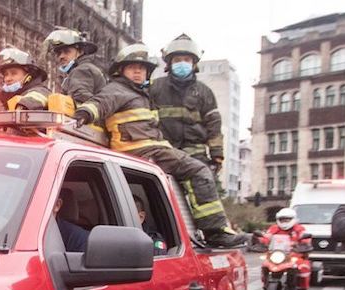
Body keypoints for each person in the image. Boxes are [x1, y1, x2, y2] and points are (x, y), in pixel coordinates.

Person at [74, 44, 249, 249]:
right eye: (132, 68)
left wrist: (216, 154)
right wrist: (84, 114)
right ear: (120, 71)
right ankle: (214, 231)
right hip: (141, 149)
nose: (138, 72)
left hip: (151, 147)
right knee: (199, 171)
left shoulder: (142, 94)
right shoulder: (118, 89)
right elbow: (101, 103)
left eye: (142, 68)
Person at [150, 34, 224, 171]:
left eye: (186, 60)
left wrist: (217, 156)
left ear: (194, 64)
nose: (182, 63)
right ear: (169, 64)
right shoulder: (155, 88)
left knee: (204, 185)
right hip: (163, 154)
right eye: (177, 60)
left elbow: (214, 126)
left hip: (196, 156)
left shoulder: (204, 92)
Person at [44, 28, 107, 144]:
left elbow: (81, 99)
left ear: (80, 52)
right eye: (58, 53)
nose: (61, 56)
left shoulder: (81, 70)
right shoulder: (82, 70)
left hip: (87, 133)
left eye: (67, 51)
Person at [258, 207, 312, 290]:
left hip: (294, 254)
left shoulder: (299, 229)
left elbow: (305, 239)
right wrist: (260, 241)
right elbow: (267, 238)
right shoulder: (274, 228)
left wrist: (303, 243)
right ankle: (265, 287)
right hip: (275, 254)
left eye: (287, 219)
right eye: (282, 219)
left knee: (304, 267)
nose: (284, 221)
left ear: (293, 219)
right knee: (264, 265)